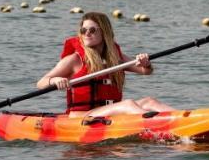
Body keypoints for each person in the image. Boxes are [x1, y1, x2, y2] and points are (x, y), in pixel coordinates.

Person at [39, 12, 174, 120]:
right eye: (83, 30)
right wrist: (55, 80)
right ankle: (157, 125)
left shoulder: (115, 57)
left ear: (104, 32)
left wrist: (146, 64)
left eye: (92, 30)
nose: (87, 33)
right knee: (128, 104)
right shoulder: (74, 59)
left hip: (107, 112)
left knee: (150, 102)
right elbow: (41, 83)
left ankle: (186, 118)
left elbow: (145, 71)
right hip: (82, 117)